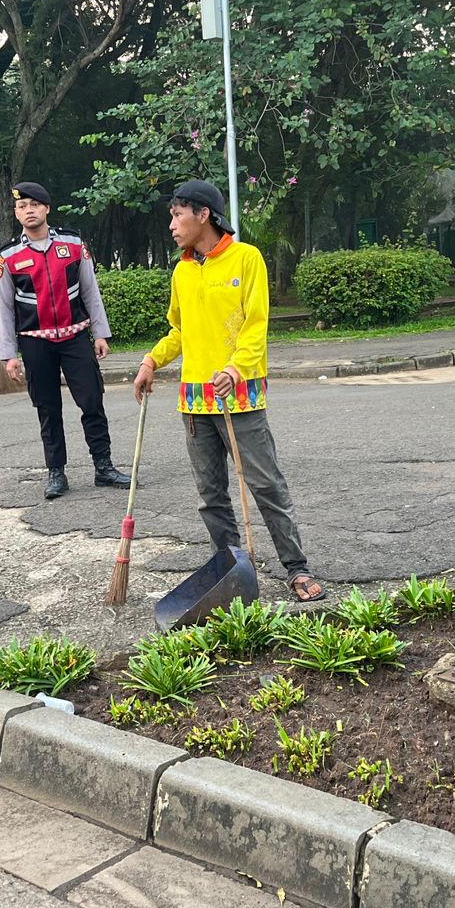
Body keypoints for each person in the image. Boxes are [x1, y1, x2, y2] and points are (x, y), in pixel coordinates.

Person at [132, 180, 324, 603]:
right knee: (210, 495)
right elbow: (179, 331)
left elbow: (256, 326)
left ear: (203, 214)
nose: (171, 224)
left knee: (266, 484)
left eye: (177, 215)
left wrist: (236, 369)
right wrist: (150, 361)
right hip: (195, 401)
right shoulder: (183, 269)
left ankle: (296, 567)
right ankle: (232, 569)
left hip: (241, 396)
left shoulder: (246, 259)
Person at [0, 181, 131, 500]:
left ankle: (103, 466)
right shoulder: (8, 255)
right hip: (35, 342)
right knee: (47, 407)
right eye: (21, 206)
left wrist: (100, 333)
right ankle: (56, 472)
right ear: (16, 213)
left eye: (34, 204)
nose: (28, 210)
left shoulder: (72, 243)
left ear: (47, 208)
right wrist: (9, 354)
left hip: (75, 337)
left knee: (92, 400)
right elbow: (4, 307)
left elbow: (90, 290)